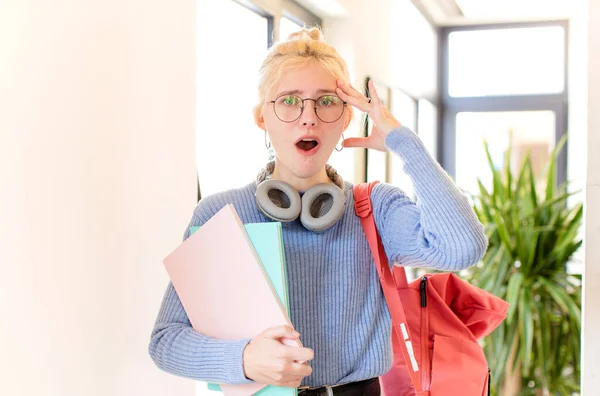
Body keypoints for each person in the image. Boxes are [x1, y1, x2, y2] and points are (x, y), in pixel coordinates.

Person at [148, 26, 488, 395]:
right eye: (289, 101)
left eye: (326, 101)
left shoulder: (375, 208)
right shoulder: (221, 214)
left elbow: (463, 247)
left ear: (345, 119)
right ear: (262, 117)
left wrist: (402, 142)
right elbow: (166, 342)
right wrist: (244, 359)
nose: (308, 117)